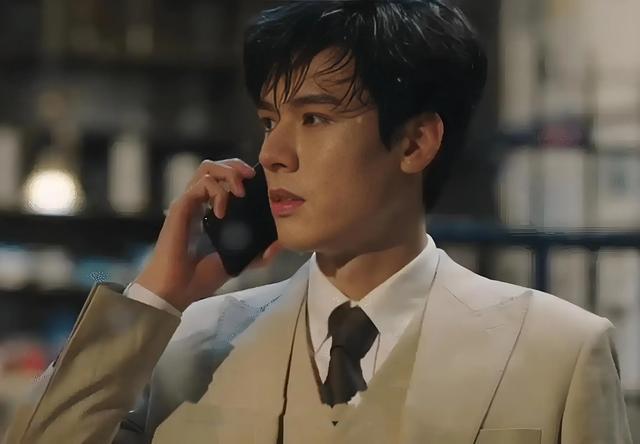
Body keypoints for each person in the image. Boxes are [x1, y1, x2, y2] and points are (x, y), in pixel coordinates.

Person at [3, 1, 633, 443]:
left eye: (314, 118)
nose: (274, 153)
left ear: (415, 142)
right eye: (268, 121)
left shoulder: (557, 352)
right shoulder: (187, 346)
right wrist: (156, 296)